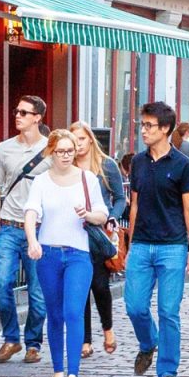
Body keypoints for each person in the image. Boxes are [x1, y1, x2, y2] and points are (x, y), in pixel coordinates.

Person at [123, 100, 189, 377]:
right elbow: (135, 205)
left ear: (165, 129)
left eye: (148, 126)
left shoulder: (182, 164)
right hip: (142, 245)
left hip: (172, 246)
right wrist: (130, 245)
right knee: (135, 307)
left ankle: (168, 373)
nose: (143, 131)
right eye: (141, 125)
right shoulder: (139, 163)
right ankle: (148, 343)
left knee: (169, 311)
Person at [24, 129, 107, 377]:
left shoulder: (87, 178)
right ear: (51, 152)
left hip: (78, 254)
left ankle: (73, 372)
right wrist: (32, 241)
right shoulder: (41, 181)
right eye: (60, 151)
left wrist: (89, 214)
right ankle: (57, 370)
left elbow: (102, 214)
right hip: (48, 254)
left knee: (73, 311)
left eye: (70, 151)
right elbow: (31, 212)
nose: (65, 156)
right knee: (55, 313)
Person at [0, 94, 50, 364]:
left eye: (24, 112)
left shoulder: (51, 148)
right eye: (16, 111)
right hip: (9, 227)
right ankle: (11, 338)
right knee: (2, 282)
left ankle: (33, 342)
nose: (18, 116)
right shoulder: (4, 149)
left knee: (38, 290)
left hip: (42, 229)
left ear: (37, 117)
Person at [71, 119, 124, 358]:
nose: (78, 144)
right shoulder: (67, 166)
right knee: (80, 288)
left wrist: (113, 217)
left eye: (81, 139)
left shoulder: (106, 165)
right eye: (74, 140)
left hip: (98, 233)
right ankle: (85, 341)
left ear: (90, 139)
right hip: (73, 233)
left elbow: (120, 197)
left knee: (100, 286)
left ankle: (108, 328)